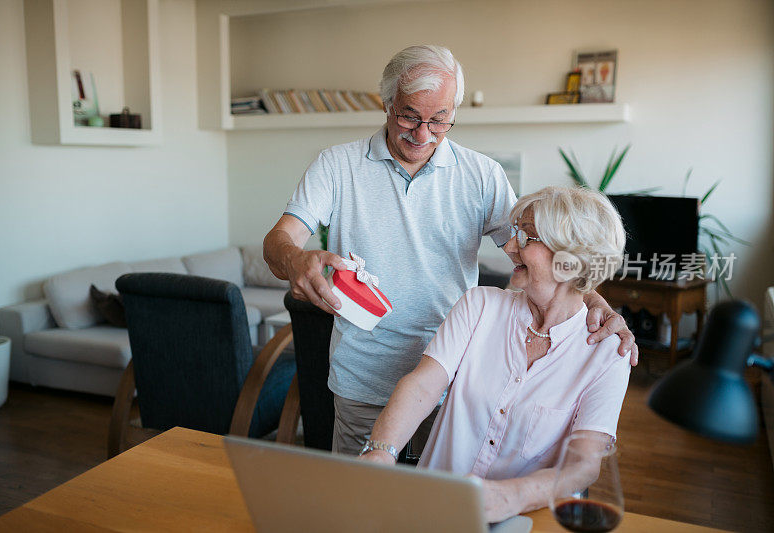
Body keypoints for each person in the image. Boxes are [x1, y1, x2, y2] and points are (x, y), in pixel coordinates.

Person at [262, 45, 637, 456]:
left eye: (440, 120)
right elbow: (278, 241)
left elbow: (540, 254)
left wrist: (595, 305)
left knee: (434, 509)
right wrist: (296, 259)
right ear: (386, 105)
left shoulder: (482, 175)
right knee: (361, 506)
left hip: (455, 383)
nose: (423, 134)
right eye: (409, 116)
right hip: (362, 381)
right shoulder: (337, 166)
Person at [359, 186, 632, 523]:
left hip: (525, 519)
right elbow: (423, 386)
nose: (511, 246)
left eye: (527, 238)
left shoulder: (608, 353)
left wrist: (510, 496)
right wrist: (381, 453)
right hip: (432, 507)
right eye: (515, 233)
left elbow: (584, 465)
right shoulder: (479, 305)